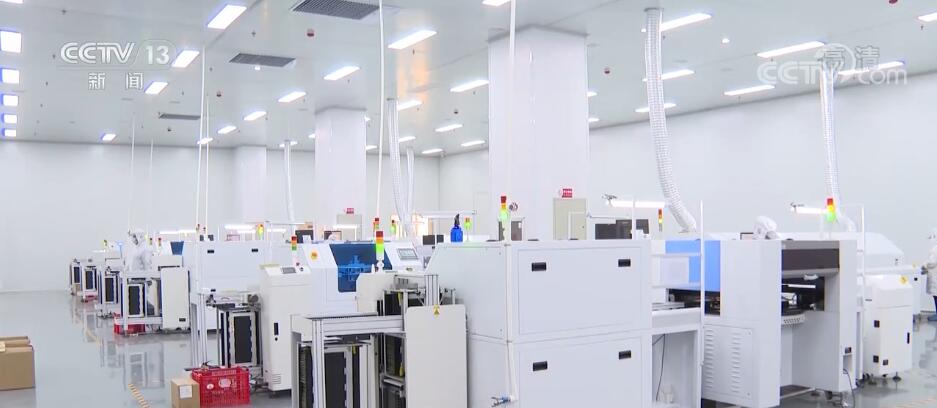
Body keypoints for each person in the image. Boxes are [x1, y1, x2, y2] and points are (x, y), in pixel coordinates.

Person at [924, 244, 937, 322]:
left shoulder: (935, 249)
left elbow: (932, 262)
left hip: (935, 276)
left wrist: (924, 265)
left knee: (936, 296)